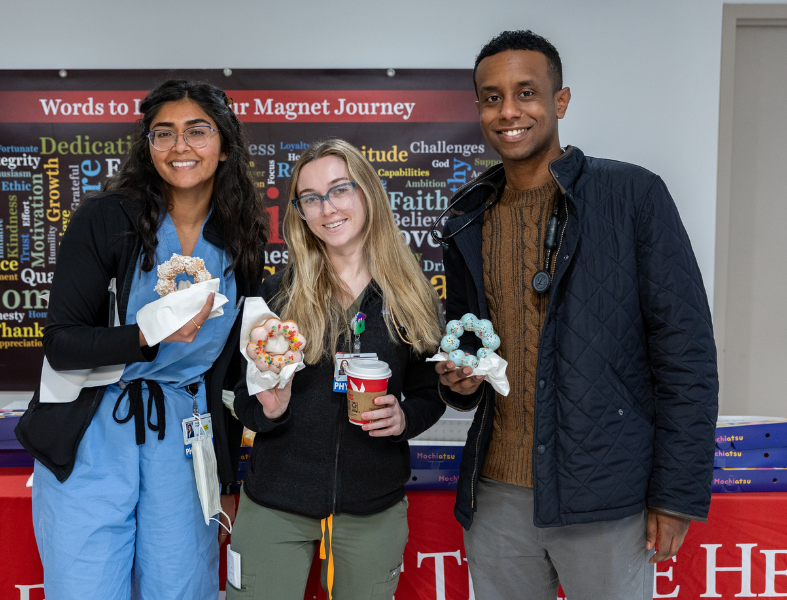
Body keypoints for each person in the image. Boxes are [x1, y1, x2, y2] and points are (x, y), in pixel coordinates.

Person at [433, 31, 718, 600]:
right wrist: (459, 382)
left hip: (606, 496)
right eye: (491, 97)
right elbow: (469, 352)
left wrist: (675, 494)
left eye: (526, 93)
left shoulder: (633, 196)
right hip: (496, 498)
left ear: (559, 102)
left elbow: (686, 356)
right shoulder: (465, 219)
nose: (508, 111)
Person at [15, 80, 268, 600]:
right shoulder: (104, 220)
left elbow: (224, 373)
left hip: (185, 436)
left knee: (180, 586)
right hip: (93, 430)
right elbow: (62, 345)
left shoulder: (241, 236)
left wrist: (226, 477)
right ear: (147, 146)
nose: (181, 146)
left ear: (224, 145)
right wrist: (147, 335)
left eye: (198, 131)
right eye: (163, 133)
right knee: (86, 587)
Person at [228, 139, 446, 600]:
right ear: (300, 213)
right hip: (275, 504)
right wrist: (268, 410)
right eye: (311, 197)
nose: (327, 208)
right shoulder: (275, 298)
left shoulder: (412, 295)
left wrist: (405, 419)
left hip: (372, 507)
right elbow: (244, 400)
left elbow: (431, 392)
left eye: (339, 189)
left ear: (367, 192)